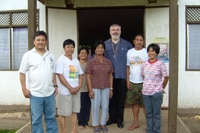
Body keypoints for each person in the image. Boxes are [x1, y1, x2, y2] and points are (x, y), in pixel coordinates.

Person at [19, 31, 58, 133]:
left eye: (43, 40)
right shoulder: (28, 55)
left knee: (51, 118)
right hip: (35, 94)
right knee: (36, 120)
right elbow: (22, 73)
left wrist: (56, 85)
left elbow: (53, 72)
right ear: (34, 42)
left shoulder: (51, 55)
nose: (41, 42)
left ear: (46, 42)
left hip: (49, 93)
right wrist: (24, 89)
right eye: (38, 40)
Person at [104, 24, 133, 128]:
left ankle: (120, 119)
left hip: (122, 76)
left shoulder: (127, 44)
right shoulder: (105, 44)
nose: (115, 32)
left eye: (117, 30)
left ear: (120, 32)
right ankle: (111, 118)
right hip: (108, 77)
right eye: (113, 30)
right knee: (110, 99)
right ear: (109, 31)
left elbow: (133, 59)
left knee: (120, 99)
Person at [86, 40, 114, 133]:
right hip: (95, 87)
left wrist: (111, 88)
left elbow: (110, 75)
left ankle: (103, 123)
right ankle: (95, 124)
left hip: (106, 87)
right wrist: (90, 90)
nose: (100, 49)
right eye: (98, 48)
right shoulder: (91, 62)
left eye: (102, 48)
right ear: (95, 49)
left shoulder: (108, 62)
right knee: (95, 107)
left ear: (104, 50)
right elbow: (88, 76)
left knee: (106, 106)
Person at [56, 39, 83, 133]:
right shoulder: (61, 60)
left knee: (75, 111)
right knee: (63, 113)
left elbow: (80, 74)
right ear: (64, 48)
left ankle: (74, 130)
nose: (70, 49)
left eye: (72, 47)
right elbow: (60, 75)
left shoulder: (76, 60)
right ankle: (63, 131)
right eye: (68, 47)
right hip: (65, 91)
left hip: (76, 90)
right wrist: (69, 88)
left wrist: (79, 86)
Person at [141, 43, 169, 133]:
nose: (150, 53)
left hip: (157, 93)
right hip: (145, 93)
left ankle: (156, 130)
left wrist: (161, 87)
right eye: (149, 51)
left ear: (157, 53)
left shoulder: (160, 64)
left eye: (153, 51)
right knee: (148, 114)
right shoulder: (144, 64)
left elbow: (166, 77)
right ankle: (149, 130)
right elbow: (143, 76)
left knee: (156, 114)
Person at [126, 34, 148, 130]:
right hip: (133, 82)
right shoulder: (129, 52)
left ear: (143, 42)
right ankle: (136, 123)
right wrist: (127, 80)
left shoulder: (147, 52)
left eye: (141, 40)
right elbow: (127, 67)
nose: (139, 42)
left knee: (146, 104)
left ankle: (149, 124)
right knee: (135, 103)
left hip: (144, 82)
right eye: (137, 40)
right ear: (134, 41)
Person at [77, 47, 91, 129]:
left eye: (85, 53)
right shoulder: (76, 64)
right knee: (80, 107)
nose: (83, 55)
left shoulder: (89, 64)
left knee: (87, 107)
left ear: (87, 55)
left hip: (88, 89)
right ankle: (80, 123)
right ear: (78, 54)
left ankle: (86, 122)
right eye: (81, 53)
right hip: (80, 89)